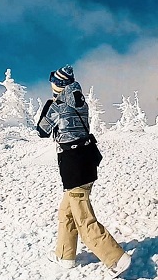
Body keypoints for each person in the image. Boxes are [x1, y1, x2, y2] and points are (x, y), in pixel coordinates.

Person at [37, 65, 131, 278]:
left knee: (83, 218)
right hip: (87, 163)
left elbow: (42, 131)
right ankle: (65, 255)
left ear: (58, 85)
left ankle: (116, 259)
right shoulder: (81, 102)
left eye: (53, 81)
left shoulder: (58, 105)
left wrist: (49, 104)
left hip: (74, 167)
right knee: (66, 212)